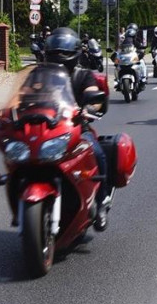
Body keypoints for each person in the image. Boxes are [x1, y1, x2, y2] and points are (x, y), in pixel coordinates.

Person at [43, 28, 112, 230]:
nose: (59, 56)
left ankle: (102, 201)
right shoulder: (42, 76)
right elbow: (27, 93)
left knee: (97, 152)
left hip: (77, 129)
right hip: (48, 131)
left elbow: (94, 94)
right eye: (55, 51)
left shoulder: (83, 76)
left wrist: (90, 107)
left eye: (63, 51)